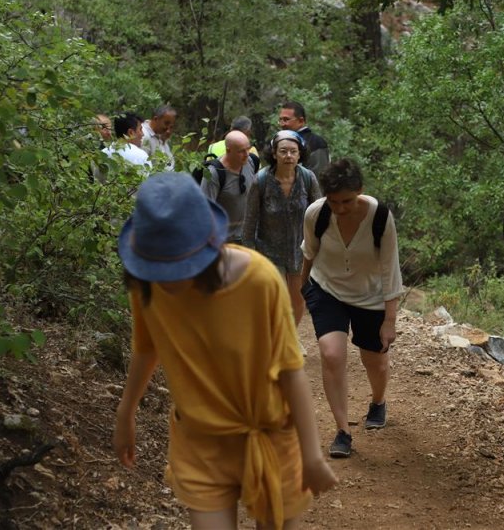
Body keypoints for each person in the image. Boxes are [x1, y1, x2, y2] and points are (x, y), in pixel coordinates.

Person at [113, 173, 337, 530]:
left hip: (270, 435)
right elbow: (146, 348)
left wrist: (311, 455)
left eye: (175, 268)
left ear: (208, 249)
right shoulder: (146, 286)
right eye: (157, 267)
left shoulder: (259, 281)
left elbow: (290, 370)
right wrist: (126, 414)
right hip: (199, 440)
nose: (165, 278)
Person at [300, 158, 403, 458]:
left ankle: (378, 400)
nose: (340, 208)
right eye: (334, 202)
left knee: (375, 361)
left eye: (346, 200)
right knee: (332, 354)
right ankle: (343, 431)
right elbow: (309, 251)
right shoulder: (316, 213)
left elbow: (390, 268)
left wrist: (390, 320)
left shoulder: (380, 217)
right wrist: (303, 285)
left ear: (360, 191)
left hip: (370, 296)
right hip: (326, 288)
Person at [243, 130, 322, 332]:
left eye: (293, 152)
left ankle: (291, 337)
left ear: (300, 154)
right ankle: (273, 338)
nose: (288, 156)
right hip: (268, 250)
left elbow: (320, 213)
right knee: (274, 298)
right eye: (283, 151)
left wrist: (321, 245)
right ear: (274, 154)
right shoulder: (260, 181)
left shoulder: (307, 178)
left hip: (300, 249)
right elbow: (250, 220)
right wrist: (249, 254)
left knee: (298, 297)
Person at [200, 130, 258, 243]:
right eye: (241, 151)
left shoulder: (251, 162)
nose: (246, 154)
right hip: (224, 240)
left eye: (248, 149)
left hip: (248, 237)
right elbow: (205, 211)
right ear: (228, 151)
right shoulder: (214, 173)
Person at [278, 101, 330, 175]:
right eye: (280, 120)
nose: (282, 124)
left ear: (301, 121)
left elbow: (319, 175)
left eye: (286, 120)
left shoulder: (315, 143)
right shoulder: (279, 142)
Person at [141, 105, 177, 170]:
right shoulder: (144, 135)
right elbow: (142, 165)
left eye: (171, 126)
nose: (168, 129)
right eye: (166, 123)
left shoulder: (158, 135)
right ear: (156, 119)